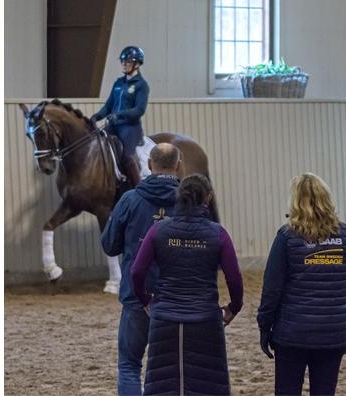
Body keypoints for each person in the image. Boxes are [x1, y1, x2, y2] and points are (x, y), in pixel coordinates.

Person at [131, 174, 243, 395]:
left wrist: (146, 300)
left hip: (165, 318)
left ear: (179, 197)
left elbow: (137, 271)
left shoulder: (158, 230)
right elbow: (234, 278)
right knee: (208, 387)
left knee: (163, 387)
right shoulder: (218, 234)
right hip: (206, 319)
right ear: (208, 197)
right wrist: (234, 307)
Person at [257, 173, 346, 396]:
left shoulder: (287, 236)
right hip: (332, 335)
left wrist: (264, 327)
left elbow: (272, 290)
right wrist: (344, 325)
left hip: (291, 335)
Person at [100, 143, 180, 396]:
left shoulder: (130, 199)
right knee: (171, 368)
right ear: (177, 166)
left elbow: (109, 245)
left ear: (148, 165)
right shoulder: (190, 201)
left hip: (138, 295)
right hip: (179, 297)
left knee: (129, 364)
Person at [91, 45, 149, 186]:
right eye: (122, 61)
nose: (123, 64)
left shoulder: (141, 85)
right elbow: (109, 105)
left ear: (137, 64)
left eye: (127, 61)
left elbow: (139, 110)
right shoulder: (118, 83)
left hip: (129, 128)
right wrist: (96, 117)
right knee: (96, 145)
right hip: (113, 125)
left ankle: (138, 188)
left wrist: (119, 115)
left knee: (127, 156)